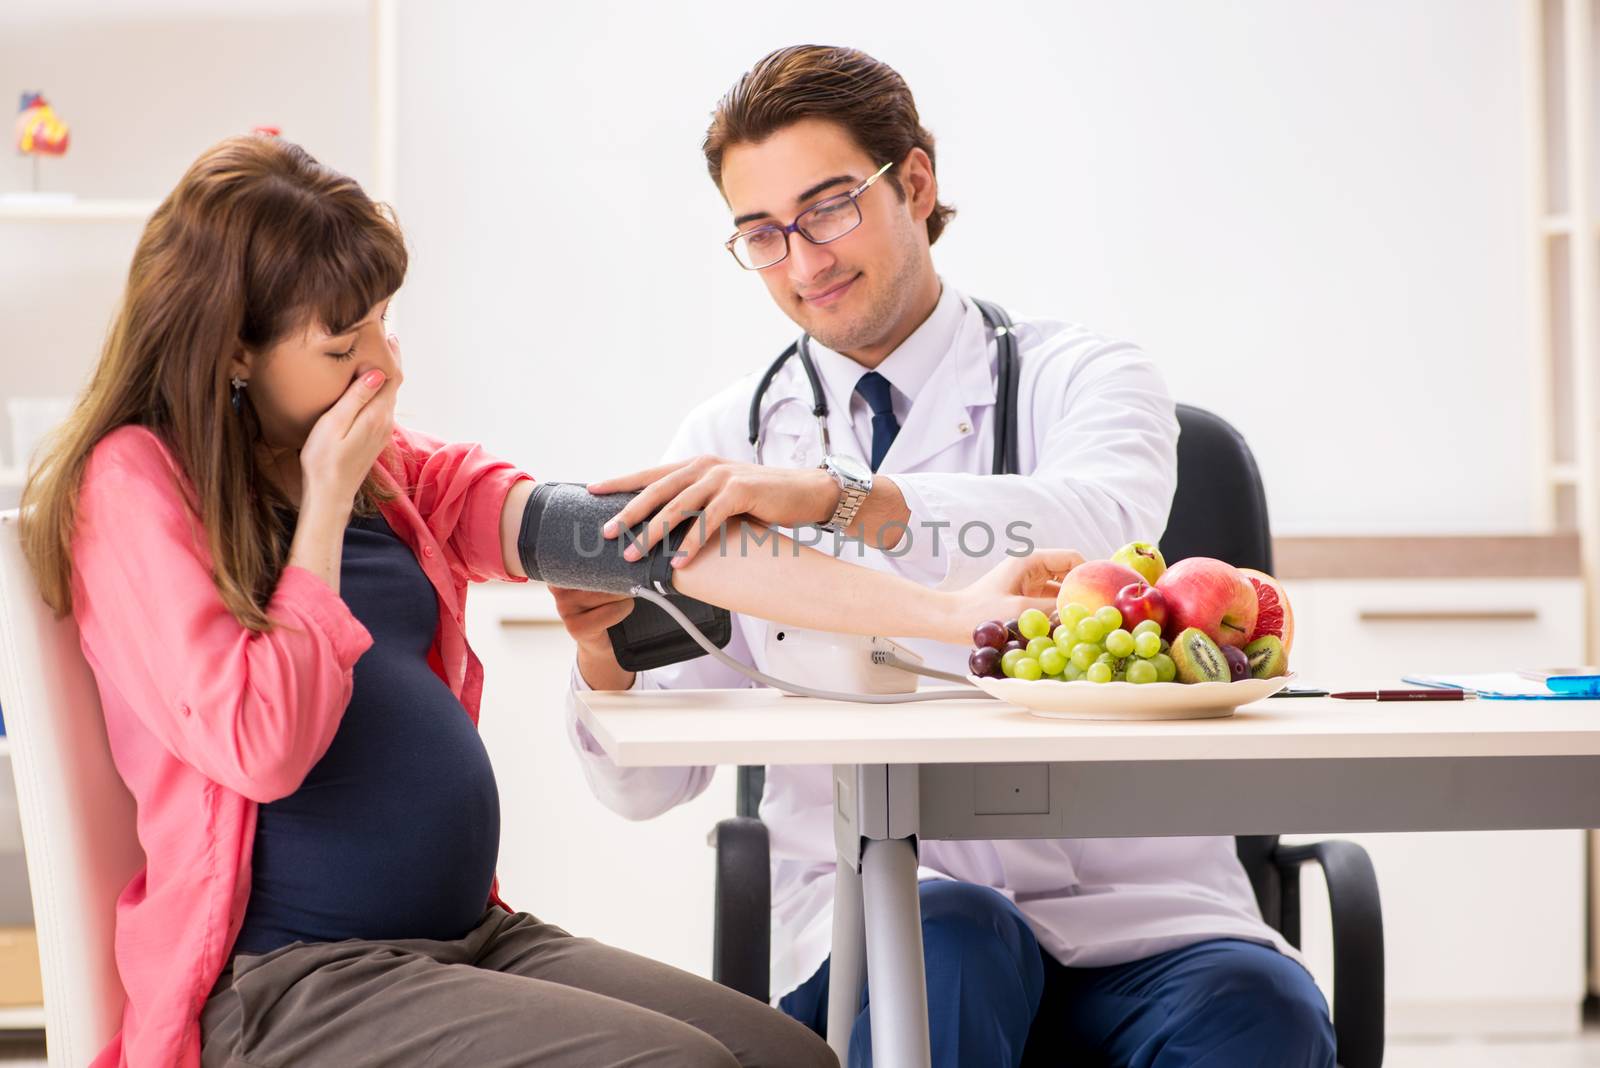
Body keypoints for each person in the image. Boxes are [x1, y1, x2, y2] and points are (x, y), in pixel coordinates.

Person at [18, 133, 1069, 1068]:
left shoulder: (396, 471)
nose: (382, 369)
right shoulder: (138, 484)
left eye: (383, 327)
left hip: (465, 939)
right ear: (232, 350)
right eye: (343, 347)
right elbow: (264, 744)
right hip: (293, 985)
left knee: (785, 1055)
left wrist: (955, 615)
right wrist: (327, 507)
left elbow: (653, 549)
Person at [559, 45, 1337, 1068]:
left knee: (1258, 1013)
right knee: (950, 946)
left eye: (828, 208)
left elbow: (1099, 531)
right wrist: (606, 656)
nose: (803, 262)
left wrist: (832, 500)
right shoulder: (726, 437)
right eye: (762, 232)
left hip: (1145, 914)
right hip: (888, 910)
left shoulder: (1083, 375)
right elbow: (647, 784)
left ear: (914, 184)